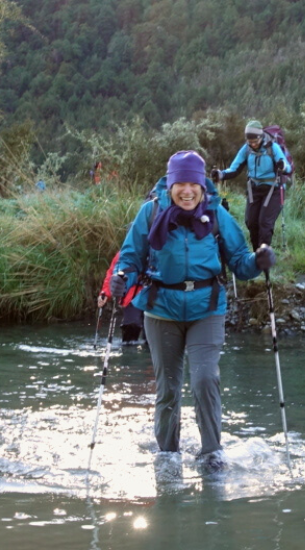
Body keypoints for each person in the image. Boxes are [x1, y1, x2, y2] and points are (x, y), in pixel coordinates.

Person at [110, 150, 273, 472]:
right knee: (168, 387)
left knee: (204, 378)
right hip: (161, 309)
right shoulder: (150, 213)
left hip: (206, 308)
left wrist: (260, 260)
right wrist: (121, 278)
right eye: (180, 184)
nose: (187, 191)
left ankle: (212, 453)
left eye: (193, 184)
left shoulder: (217, 215)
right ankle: (168, 455)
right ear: (170, 186)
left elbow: (241, 262)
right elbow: (130, 258)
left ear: (202, 186)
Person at [213, 120, 288, 249]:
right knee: (251, 222)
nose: (253, 144)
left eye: (255, 141)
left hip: (273, 189)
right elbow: (234, 169)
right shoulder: (246, 149)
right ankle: (256, 255)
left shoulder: (272, 147)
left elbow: (284, 164)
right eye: (250, 142)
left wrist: (282, 165)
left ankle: (264, 255)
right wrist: (221, 174)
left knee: (264, 223)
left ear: (261, 137)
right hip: (254, 189)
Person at [97, 251, 145, 345]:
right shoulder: (126, 251)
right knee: (131, 328)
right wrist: (105, 293)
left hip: (155, 297)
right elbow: (113, 274)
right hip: (133, 298)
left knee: (153, 338)